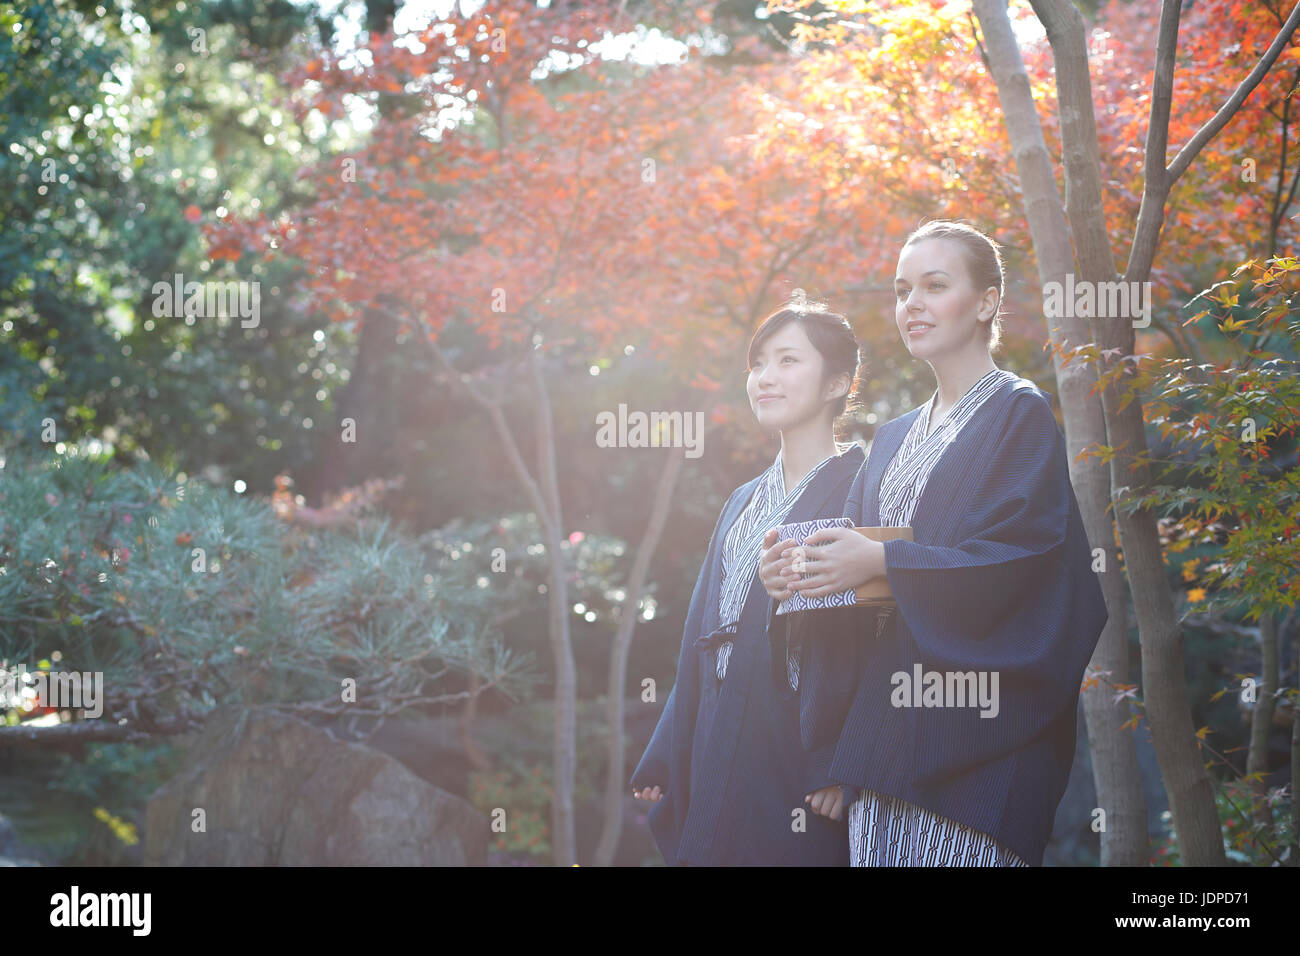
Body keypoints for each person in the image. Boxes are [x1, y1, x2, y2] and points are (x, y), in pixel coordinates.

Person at [759, 220, 1108, 866]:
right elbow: (858, 579)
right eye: (901, 290)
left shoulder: (1017, 413)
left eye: (934, 285)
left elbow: (1021, 565)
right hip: (883, 747)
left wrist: (886, 560)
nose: (911, 304)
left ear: (985, 302)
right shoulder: (890, 440)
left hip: (980, 744)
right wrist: (797, 574)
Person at [629, 290, 867, 865]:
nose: (765, 377)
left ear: (837, 384)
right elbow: (698, 631)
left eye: (788, 361)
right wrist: (668, 747)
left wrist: (844, 759)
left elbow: (878, 641)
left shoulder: (864, 485)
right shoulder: (742, 500)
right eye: (758, 364)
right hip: (723, 714)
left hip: (798, 733)